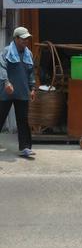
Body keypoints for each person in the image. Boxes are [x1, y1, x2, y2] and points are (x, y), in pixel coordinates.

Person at [0, 26, 36, 158]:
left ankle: (25, 148)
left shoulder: (28, 53)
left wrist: (32, 88)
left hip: (22, 92)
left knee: (23, 120)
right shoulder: (6, 52)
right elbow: (2, 67)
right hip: (6, 92)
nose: (26, 41)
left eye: (27, 39)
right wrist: (6, 82)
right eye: (23, 39)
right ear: (15, 39)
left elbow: (31, 72)